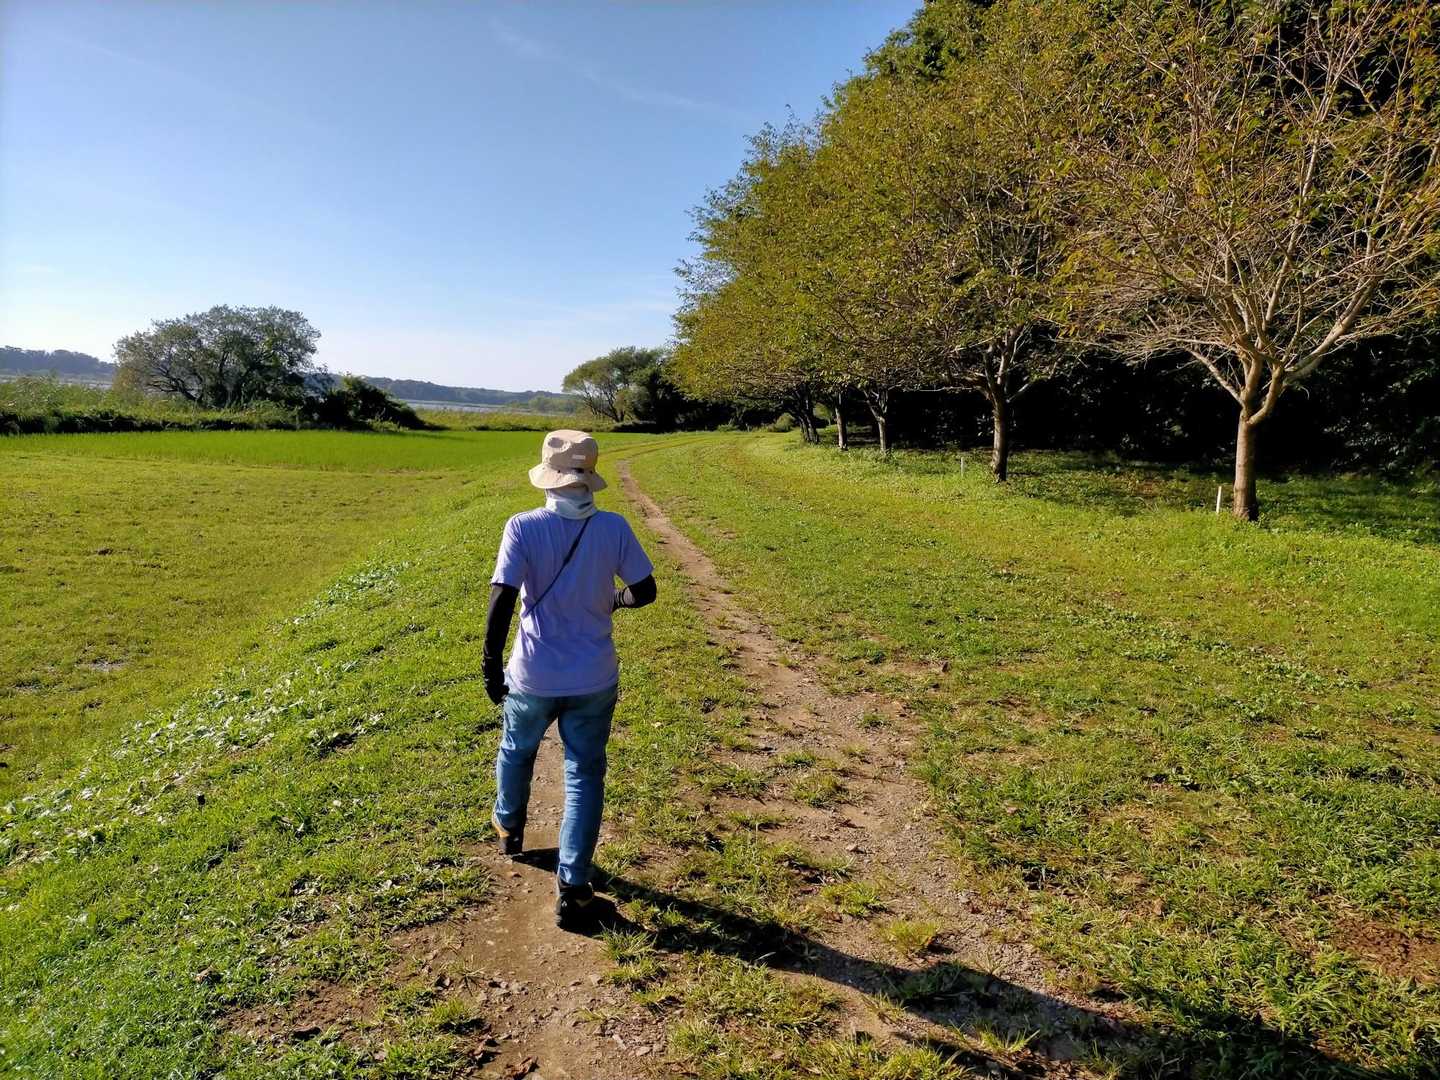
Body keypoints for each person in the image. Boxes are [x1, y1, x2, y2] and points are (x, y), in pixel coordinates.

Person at [483, 429, 657, 930]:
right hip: (593, 677)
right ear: (589, 478)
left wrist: (490, 663)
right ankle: (574, 889)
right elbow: (645, 590)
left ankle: (509, 827)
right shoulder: (613, 527)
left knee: (516, 750)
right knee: (584, 775)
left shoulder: (523, 527)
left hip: (533, 673)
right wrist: (613, 600)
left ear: (548, 478)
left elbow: (502, 597)